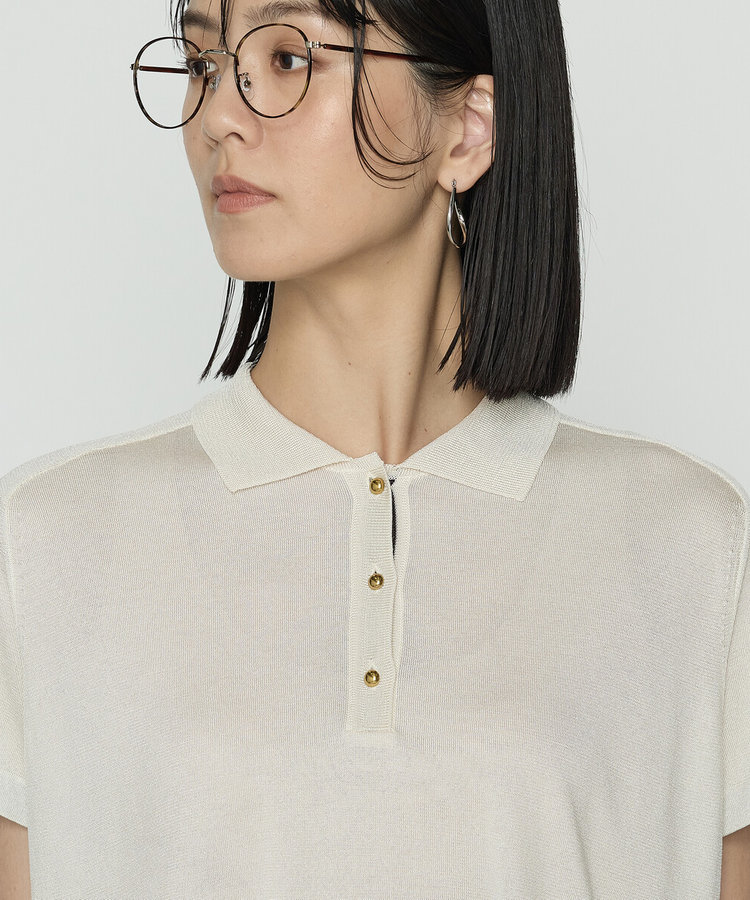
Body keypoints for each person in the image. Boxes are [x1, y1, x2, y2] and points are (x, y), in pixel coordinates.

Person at [1, 0, 749, 896]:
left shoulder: (691, 546)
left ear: (468, 129)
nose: (219, 116)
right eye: (202, 65)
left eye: (288, 59)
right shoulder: (44, 544)